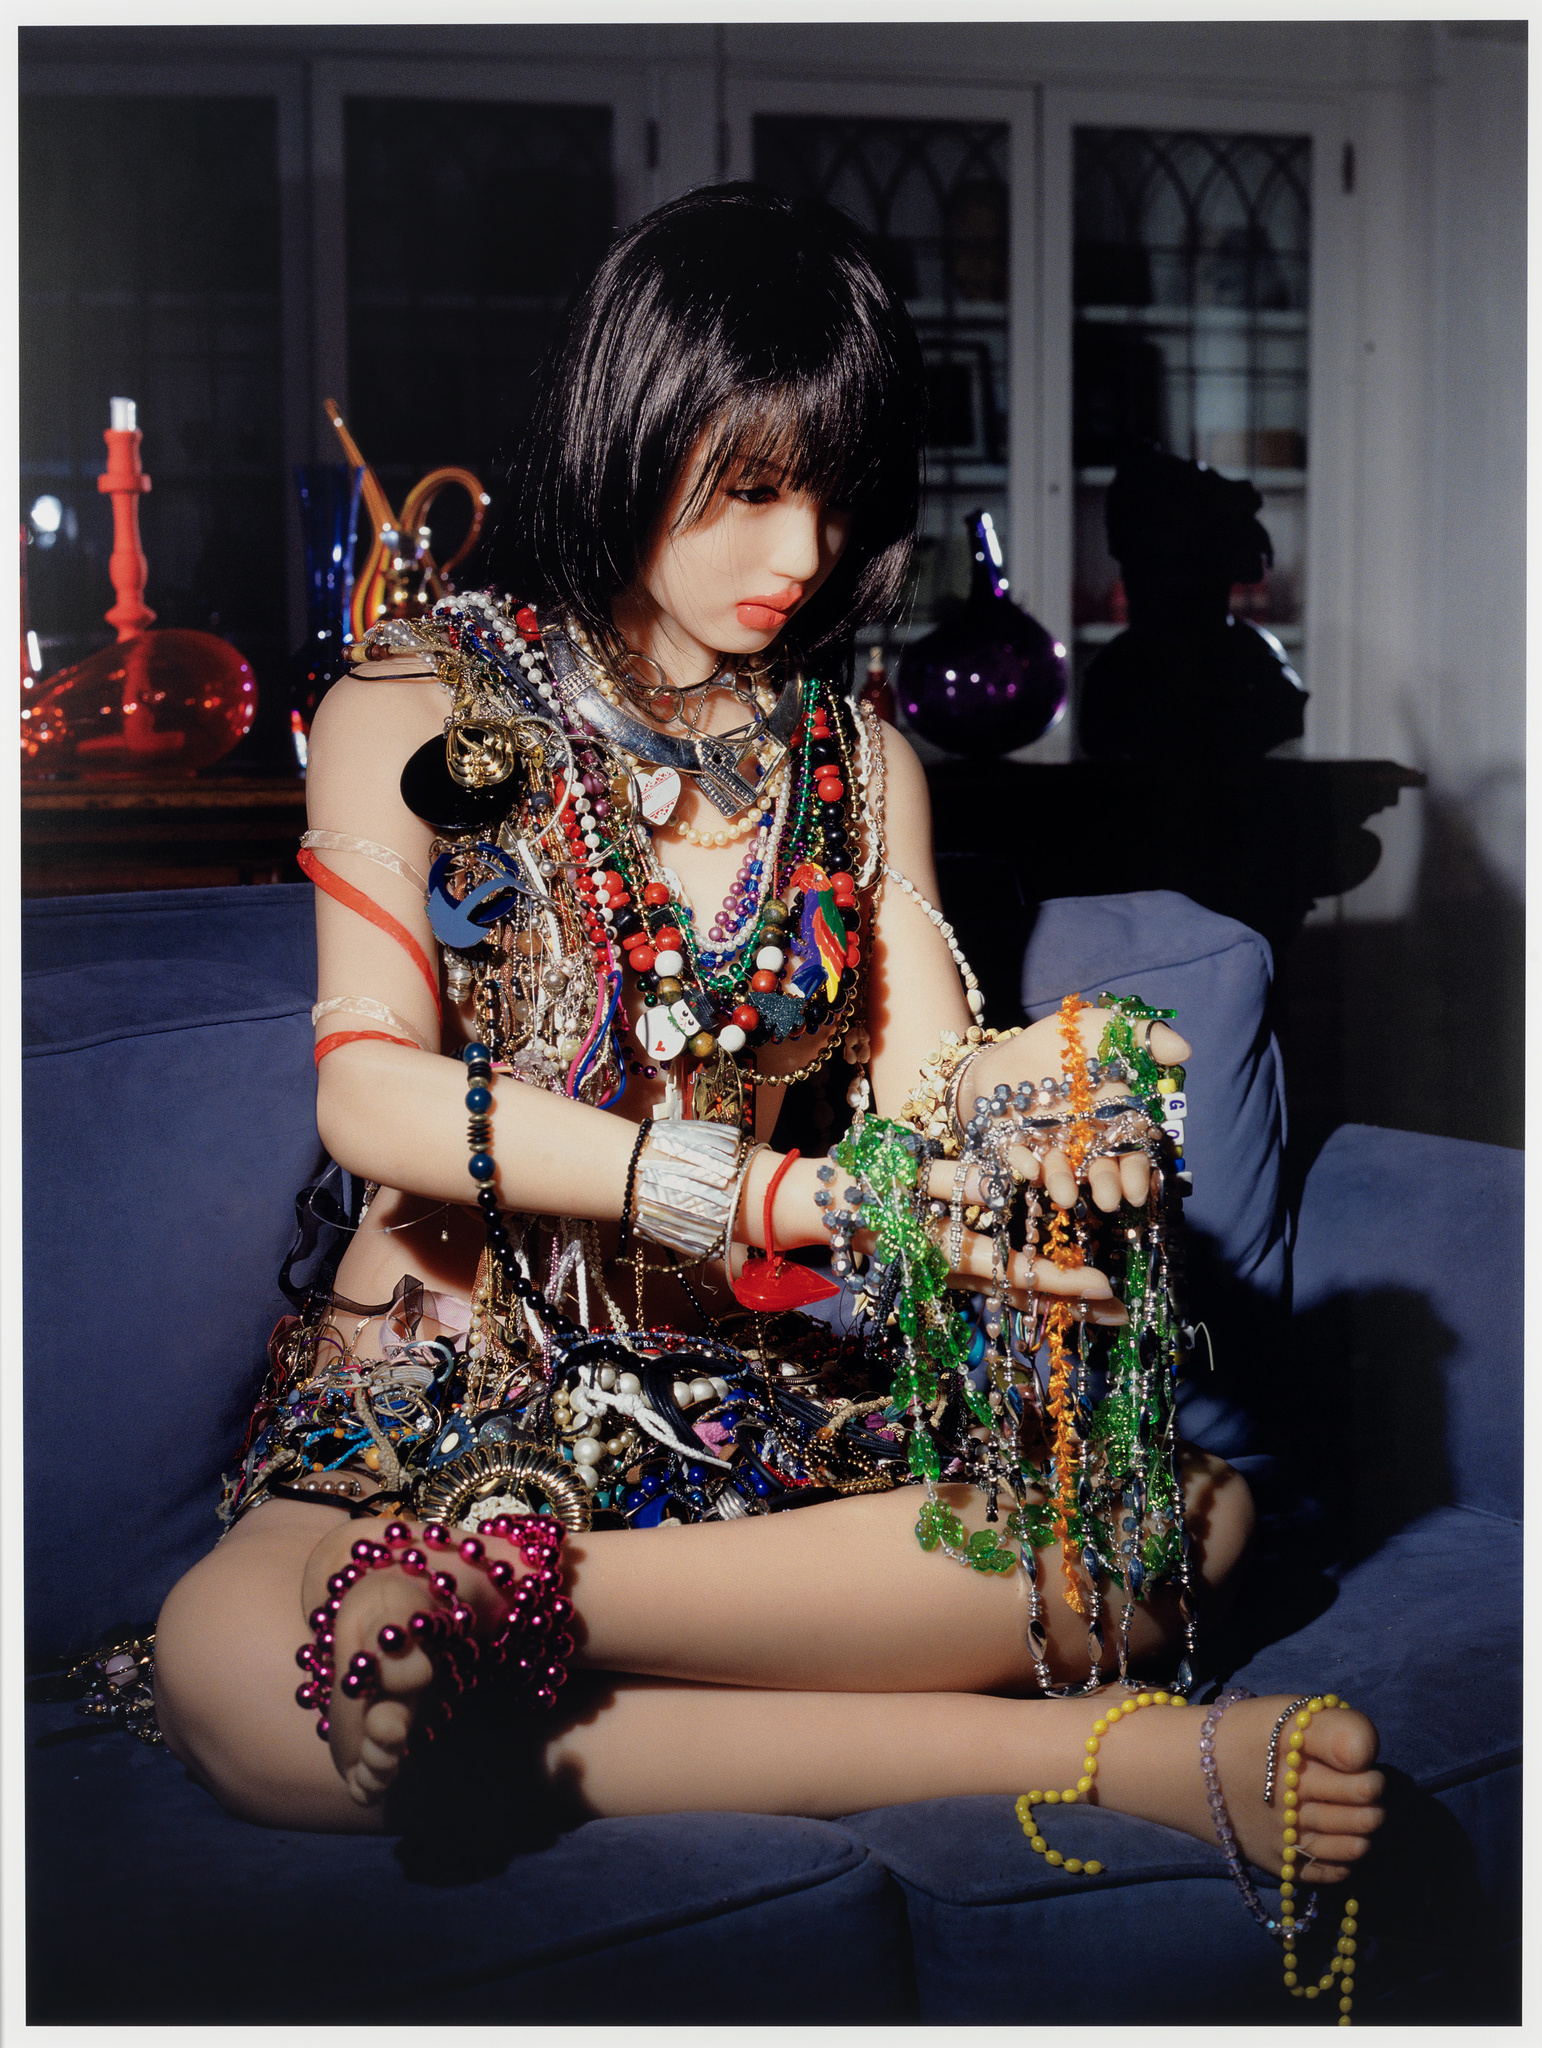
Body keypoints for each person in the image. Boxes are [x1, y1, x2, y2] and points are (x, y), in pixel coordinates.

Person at [151, 187, 1382, 1935]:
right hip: (432, 1380)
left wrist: (1055, 1093)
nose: (796, 552)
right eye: (743, 487)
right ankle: (1094, 1754)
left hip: (732, 1415)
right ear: (627, 432)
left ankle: (502, 1605)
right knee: (227, 1677)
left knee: (1177, 1524)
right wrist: (758, 1188)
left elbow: (924, 1089)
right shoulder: (416, 709)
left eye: (830, 494)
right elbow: (374, 1095)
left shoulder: (864, 763)